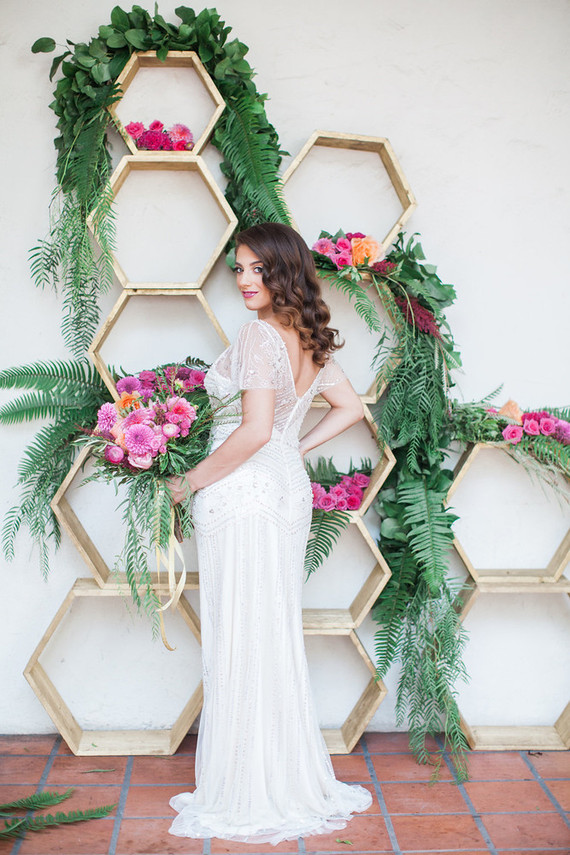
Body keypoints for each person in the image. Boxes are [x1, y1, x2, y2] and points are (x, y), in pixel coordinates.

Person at [167, 222, 372, 844]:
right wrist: (295, 448)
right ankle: (276, 773)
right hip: (283, 490)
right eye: (239, 268)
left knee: (242, 629)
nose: (245, 279)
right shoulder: (308, 335)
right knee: (268, 628)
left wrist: (188, 483)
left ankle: (249, 785)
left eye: (258, 268)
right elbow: (350, 408)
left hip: (244, 495)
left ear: (285, 271)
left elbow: (255, 430)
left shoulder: (259, 335)